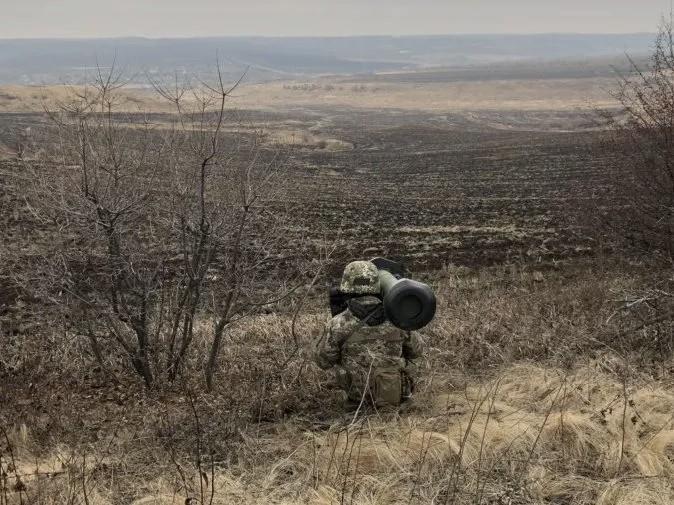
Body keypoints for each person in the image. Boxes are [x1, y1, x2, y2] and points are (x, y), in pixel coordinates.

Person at [315, 260, 423, 408]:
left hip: (357, 402)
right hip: (395, 398)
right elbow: (417, 351)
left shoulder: (338, 323)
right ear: (377, 285)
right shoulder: (397, 318)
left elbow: (323, 362)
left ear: (346, 287)